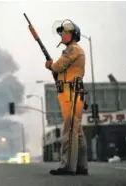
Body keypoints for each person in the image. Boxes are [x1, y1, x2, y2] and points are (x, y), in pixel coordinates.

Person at [45, 20, 88, 175]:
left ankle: (68, 166)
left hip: (72, 93)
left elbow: (58, 66)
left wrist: (50, 65)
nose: (62, 35)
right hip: (71, 91)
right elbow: (62, 71)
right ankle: (82, 166)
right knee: (77, 131)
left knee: (70, 130)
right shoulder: (75, 50)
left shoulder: (72, 49)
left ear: (72, 35)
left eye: (65, 33)